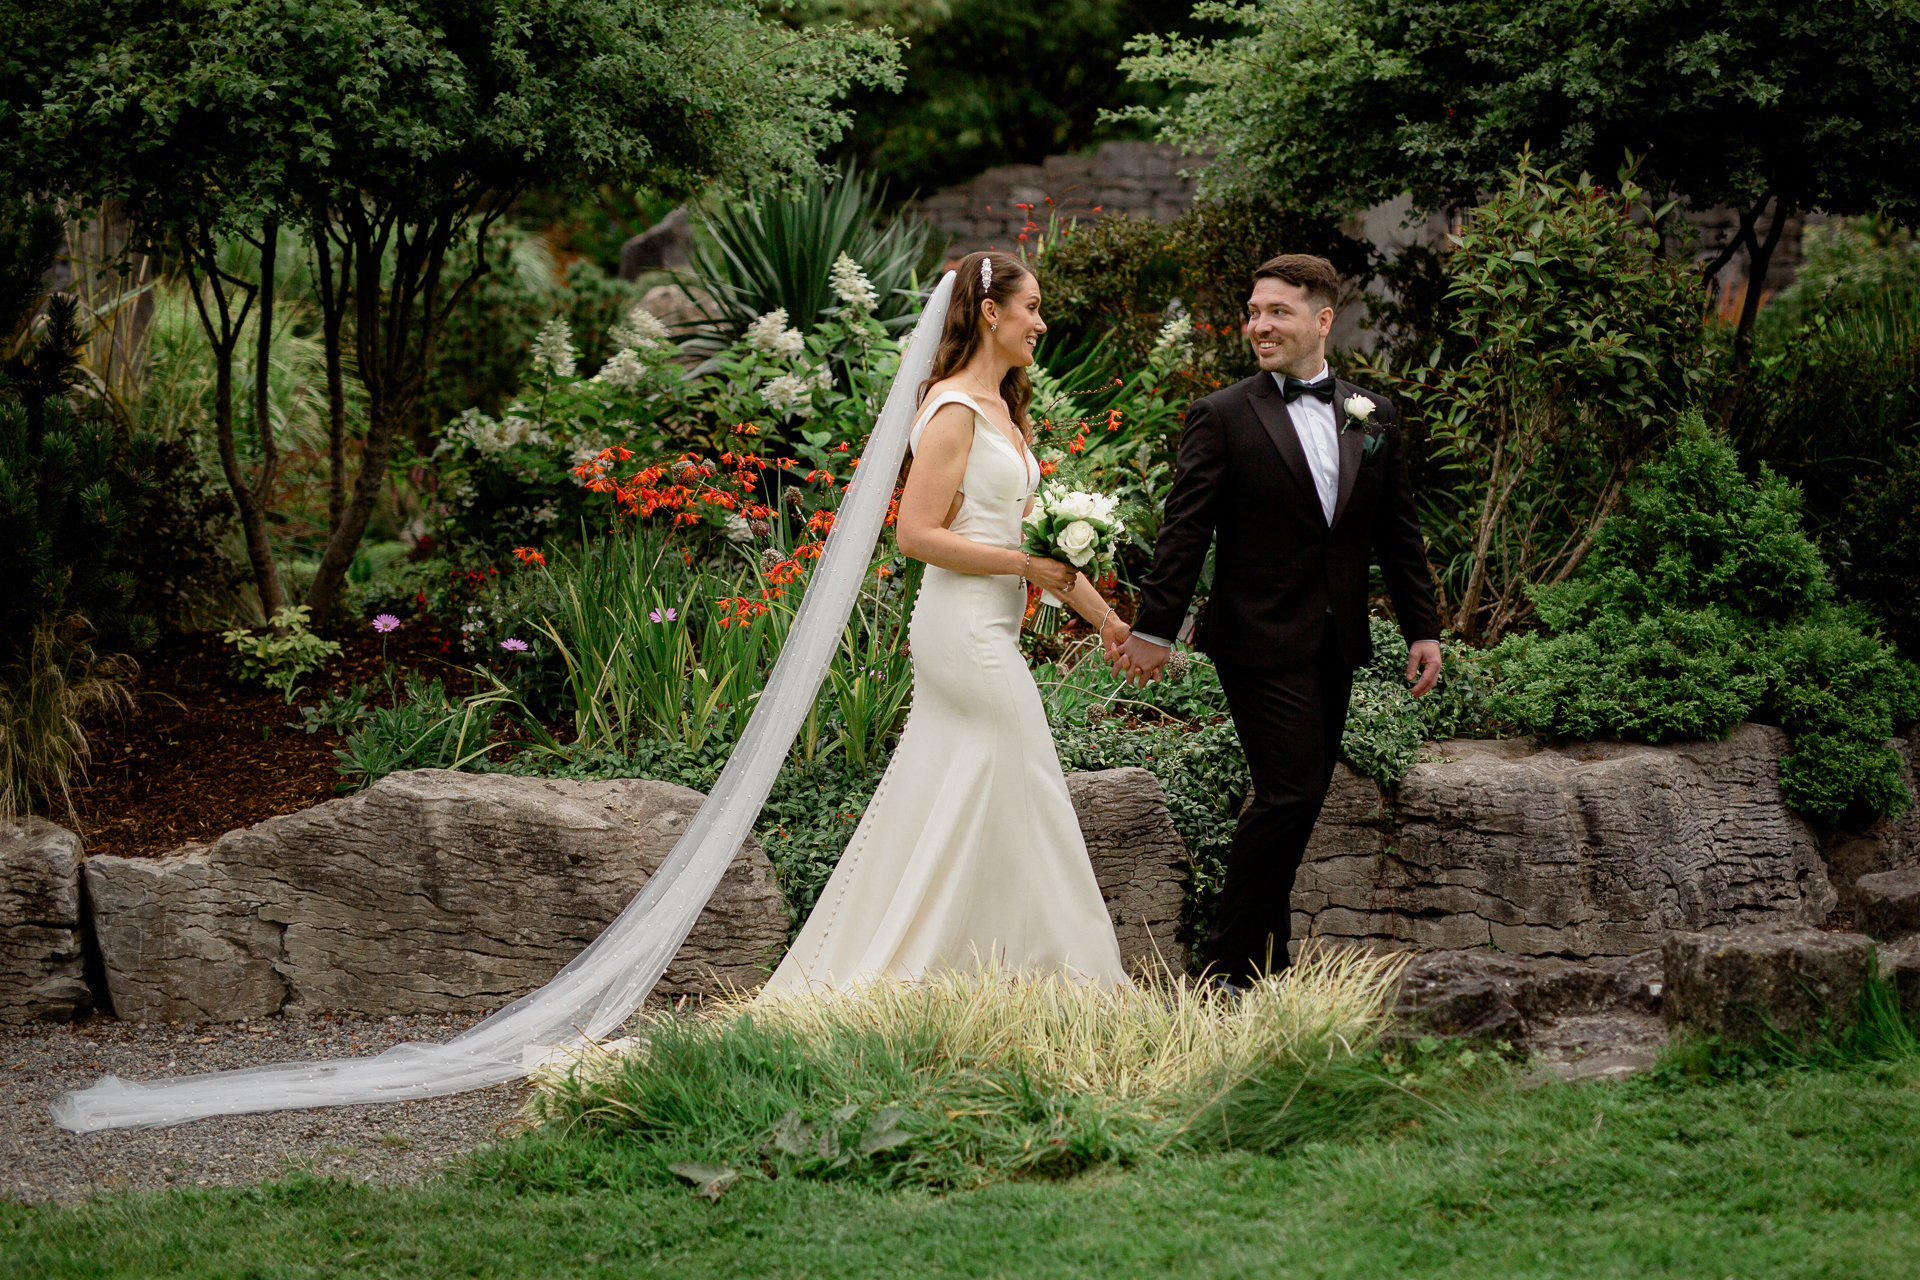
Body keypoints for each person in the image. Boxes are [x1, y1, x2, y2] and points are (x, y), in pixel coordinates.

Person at [762, 251, 1132, 994]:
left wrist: (1108, 622)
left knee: (967, 794)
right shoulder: (955, 408)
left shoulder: (1003, 410)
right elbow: (916, 535)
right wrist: (1022, 569)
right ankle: (1074, 982)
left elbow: (1037, 537)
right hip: (961, 631)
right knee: (1030, 779)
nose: (1042, 322)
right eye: (1032, 308)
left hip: (988, 626)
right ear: (992, 312)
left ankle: (970, 974)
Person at [1111, 253, 1442, 988]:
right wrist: (1155, 629)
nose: (1258, 325)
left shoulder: (1372, 414)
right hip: (1256, 638)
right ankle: (1224, 968)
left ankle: (1269, 958)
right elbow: (1184, 531)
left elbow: (1398, 532)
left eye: (1277, 312)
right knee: (1290, 793)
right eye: (1254, 311)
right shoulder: (1223, 415)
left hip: (1337, 641)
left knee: (1300, 799)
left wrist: (1424, 628)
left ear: (1323, 320)